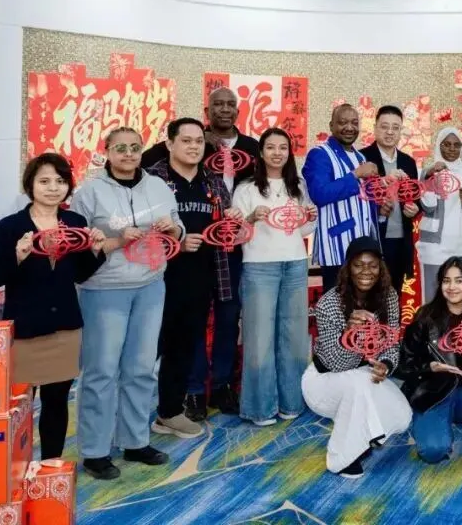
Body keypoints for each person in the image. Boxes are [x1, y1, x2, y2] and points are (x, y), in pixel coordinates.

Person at [69, 126, 183, 480]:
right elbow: (77, 243)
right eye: (120, 148)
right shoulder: (89, 192)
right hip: (104, 288)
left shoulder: (158, 186)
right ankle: (95, 450)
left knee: (141, 367)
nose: (129, 154)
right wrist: (115, 238)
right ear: (107, 151)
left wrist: (173, 230)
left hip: (150, 285)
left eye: (135, 147)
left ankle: (135, 440)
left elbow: (178, 228)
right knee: (101, 370)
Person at [142, 89, 259, 423]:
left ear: (238, 110)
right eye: (186, 141)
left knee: (227, 320)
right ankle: (191, 392)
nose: (193, 146)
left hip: (223, 258)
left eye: (231, 104)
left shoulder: (226, 169)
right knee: (183, 331)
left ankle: (221, 385)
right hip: (170, 267)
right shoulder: (156, 177)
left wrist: (237, 218)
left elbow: (229, 213)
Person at [0, 154, 108, 460]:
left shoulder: (75, 223)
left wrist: (95, 251)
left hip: (64, 327)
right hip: (25, 329)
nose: (53, 188)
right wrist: (18, 255)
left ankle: (50, 467)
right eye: (45, 181)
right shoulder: (10, 227)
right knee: (20, 405)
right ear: (30, 185)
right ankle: (16, 469)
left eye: (60, 181)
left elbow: (80, 274)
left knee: (56, 401)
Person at [301, 236, 411, 478]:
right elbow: (335, 364)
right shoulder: (329, 303)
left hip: (364, 374)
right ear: (348, 268)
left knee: (402, 416)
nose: (366, 271)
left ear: (381, 268)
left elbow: (392, 344)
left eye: (372, 265)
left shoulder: (389, 297)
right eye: (358, 265)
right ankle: (342, 459)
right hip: (323, 381)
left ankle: (364, 433)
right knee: (358, 383)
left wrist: (386, 365)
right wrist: (348, 335)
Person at [233, 127, 317, 426]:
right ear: (261, 152)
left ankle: (291, 401)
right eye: (271, 147)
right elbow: (235, 234)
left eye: (283, 147)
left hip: (295, 263)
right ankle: (260, 408)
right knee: (259, 338)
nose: (277, 153)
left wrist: (310, 217)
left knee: (293, 336)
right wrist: (250, 218)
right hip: (259, 266)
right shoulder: (246, 189)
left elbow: (303, 229)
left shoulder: (298, 185)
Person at [398, 257, 462, 474]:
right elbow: (404, 365)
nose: (452, 287)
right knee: (433, 452)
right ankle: (426, 425)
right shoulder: (425, 317)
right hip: (432, 395)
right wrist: (429, 367)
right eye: (446, 280)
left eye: (459, 281)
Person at [302, 104, 380, 286]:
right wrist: (355, 175)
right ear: (331, 126)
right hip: (337, 245)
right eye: (343, 122)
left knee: (361, 302)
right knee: (337, 300)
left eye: (354, 123)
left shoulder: (360, 157)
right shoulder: (320, 154)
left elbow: (363, 199)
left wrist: (381, 204)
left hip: (363, 246)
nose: (349, 127)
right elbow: (320, 194)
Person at [361, 105, 420, 291]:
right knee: (368, 294)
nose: (390, 132)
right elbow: (357, 196)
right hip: (372, 239)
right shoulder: (362, 158)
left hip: (401, 240)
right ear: (375, 128)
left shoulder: (408, 162)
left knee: (394, 295)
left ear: (401, 130)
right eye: (384, 126)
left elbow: (415, 197)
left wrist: (414, 209)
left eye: (395, 127)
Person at [418, 128, 462, 300]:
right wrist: (430, 178)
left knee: (459, 294)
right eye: (447, 144)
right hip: (436, 245)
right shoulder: (429, 171)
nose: (452, 149)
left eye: (456, 145)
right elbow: (427, 206)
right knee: (433, 295)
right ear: (439, 145)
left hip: (461, 242)